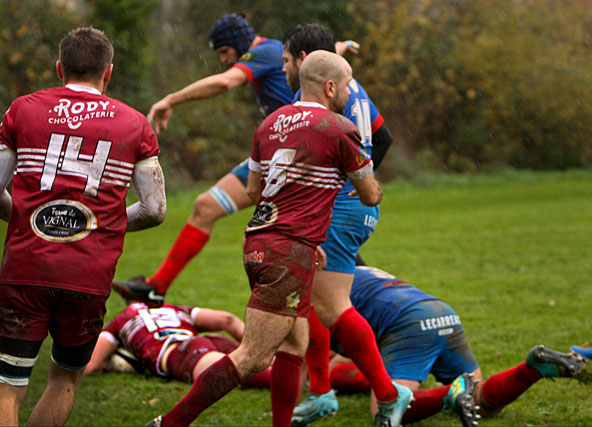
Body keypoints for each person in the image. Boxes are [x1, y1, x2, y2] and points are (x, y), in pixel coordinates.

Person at [145, 51, 409, 427]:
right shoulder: (338, 128)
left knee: (294, 345)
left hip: (261, 241)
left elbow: (254, 191)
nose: (351, 93)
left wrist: (303, 234)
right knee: (251, 356)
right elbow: (369, 195)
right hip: (287, 251)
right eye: (348, 85)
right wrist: (371, 189)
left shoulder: (269, 125)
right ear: (331, 86)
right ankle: (170, 423)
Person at [0, 27, 167, 426]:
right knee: (64, 379)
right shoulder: (135, 124)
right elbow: (154, 210)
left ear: (60, 67)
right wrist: (100, 226)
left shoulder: (23, 109)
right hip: (88, 275)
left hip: (25, 269)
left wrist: (32, 224)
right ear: (109, 73)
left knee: (7, 387)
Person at [113, 17, 367, 306]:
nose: (223, 60)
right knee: (206, 207)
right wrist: (343, 45)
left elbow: (225, 82)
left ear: (238, 45)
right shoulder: (278, 55)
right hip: (277, 158)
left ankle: (346, 304)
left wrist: (170, 100)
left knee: (315, 255)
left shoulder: (263, 53)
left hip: (299, 160)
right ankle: (156, 287)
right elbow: (326, 53)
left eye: (224, 52)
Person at [295, 265, 591, 427]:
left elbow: (312, 354)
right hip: (441, 312)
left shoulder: (314, 293)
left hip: (407, 324)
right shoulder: (351, 272)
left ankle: (449, 394)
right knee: (480, 403)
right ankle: (533, 368)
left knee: (383, 412)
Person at [280, 24, 397, 426]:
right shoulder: (353, 86)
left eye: (285, 60)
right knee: (312, 297)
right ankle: (321, 390)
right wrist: (361, 179)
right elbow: (383, 139)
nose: (283, 69)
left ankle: (387, 391)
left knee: (333, 306)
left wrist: (346, 186)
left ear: (302, 60)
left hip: (341, 210)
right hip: (352, 205)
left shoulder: (315, 96)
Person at [83, 299, 271, 388]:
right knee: (272, 364)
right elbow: (227, 320)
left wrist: (115, 363)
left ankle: (293, 383)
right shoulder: (173, 308)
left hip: (180, 353)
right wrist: (254, 345)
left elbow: (90, 366)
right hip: (208, 340)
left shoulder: (120, 321)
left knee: (235, 372)